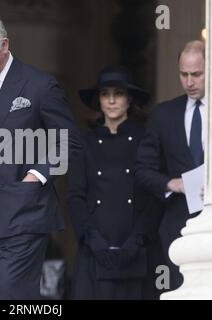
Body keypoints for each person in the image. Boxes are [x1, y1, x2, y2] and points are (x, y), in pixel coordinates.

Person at [0, 11, 81, 300]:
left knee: (10, 294)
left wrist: (38, 174)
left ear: (4, 45)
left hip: (24, 212)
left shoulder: (40, 85)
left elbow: (68, 140)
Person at [67, 66, 163, 299]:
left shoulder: (146, 139)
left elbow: (155, 193)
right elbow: (75, 196)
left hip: (137, 247)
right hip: (95, 248)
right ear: (98, 99)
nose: (111, 100)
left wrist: (137, 239)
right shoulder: (85, 143)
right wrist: (93, 240)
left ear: (129, 99)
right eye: (104, 94)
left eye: (118, 93)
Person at [135, 40, 206, 291]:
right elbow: (143, 169)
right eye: (183, 74)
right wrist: (171, 183)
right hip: (179, 225)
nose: (189, 82)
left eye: (197, 74)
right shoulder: (164, 114)